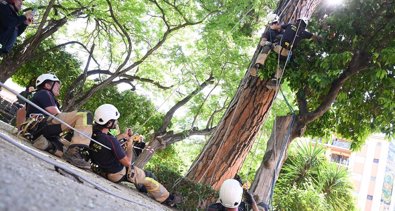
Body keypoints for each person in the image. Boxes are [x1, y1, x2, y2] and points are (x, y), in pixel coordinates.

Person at [89, 104, 181, 207]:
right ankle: (168, 199)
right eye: (115, 120)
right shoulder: (111, 140)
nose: (116, 122)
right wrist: (130, 145)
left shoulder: (94, 134)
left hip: (103, 169)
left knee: (145, 176)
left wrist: (123, 136)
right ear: (109, 123)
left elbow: (109, 142)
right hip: (117, 173)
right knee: (149, 177)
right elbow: (128, 162)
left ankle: (143, 188)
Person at [24, 73, 92, 168]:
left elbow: (21, 111)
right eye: (57, 85)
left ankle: (47, 145)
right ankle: (75, 154)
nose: (59, 87)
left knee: (66, 148)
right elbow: (56, 114)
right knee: (84, 115)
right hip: (44, 125)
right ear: (47, 85)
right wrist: (75, 124)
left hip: (37, 131)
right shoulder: (45, 93)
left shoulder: (35, 95)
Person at [265, 17, 321, 89]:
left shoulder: (290, 25)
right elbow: (314, 37)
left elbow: (277, 27)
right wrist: (321, 39)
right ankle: (274, 80)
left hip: (278, 48)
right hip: (286, 53)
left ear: (298, 21)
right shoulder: (304, 32)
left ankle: (259, 63)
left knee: (269, 45)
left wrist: (269, 25)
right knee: (281, 64)